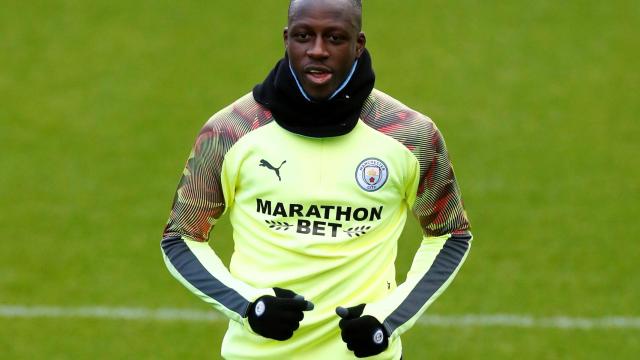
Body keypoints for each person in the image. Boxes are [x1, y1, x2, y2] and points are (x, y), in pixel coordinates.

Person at [161, 0, 472, 358]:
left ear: (359, 44)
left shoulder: (410, 135)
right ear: (286, 39)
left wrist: (388, 319)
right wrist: (249, 307)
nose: (318, 50)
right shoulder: (231, 131)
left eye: (335, 38)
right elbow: (181, 238)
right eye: (304, 36)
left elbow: (450, 235)